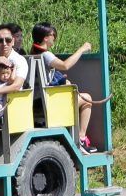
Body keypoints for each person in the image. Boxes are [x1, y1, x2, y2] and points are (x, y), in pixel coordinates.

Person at [27, 23, 97, 152]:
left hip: (35, 101)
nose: (54, 38)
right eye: (53, 35)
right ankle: (81, 138)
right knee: (87, 98)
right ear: (45, 38)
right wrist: (82, 49)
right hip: (47, 102)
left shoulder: (31, 53)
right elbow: (65, 65)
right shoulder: (46, 55)